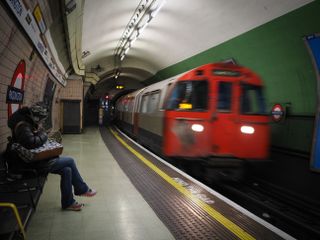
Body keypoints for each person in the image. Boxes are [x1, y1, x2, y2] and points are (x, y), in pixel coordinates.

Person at [6, 102, 96, 211]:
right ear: (36, 116)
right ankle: (82, 189)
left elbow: (30, 142)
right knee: (70, 161)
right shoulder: (23, 126)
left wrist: (39, 132)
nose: (42, 122)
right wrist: (43, 134)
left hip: (32, 161)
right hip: (28, 166)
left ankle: (68, 203)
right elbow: (31, 142)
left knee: (67, 170)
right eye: (42, 120)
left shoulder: (27, 123)